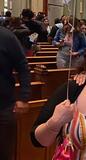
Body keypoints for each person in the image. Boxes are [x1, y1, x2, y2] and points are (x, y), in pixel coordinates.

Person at [0, 26, 31, 160]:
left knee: (4, 153)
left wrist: (24, 97)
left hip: (3, 107)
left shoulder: (6, 37)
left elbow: (23, 66)